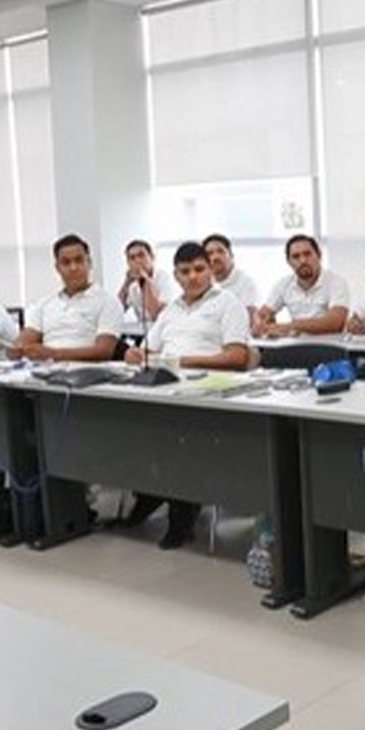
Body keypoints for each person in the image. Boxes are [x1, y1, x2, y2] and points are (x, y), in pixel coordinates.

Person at [120, 242, 252, 549]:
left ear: (210, 270)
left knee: (174, 433)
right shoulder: (171, 310)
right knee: (130, 427)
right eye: (185, 271)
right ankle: (150, 492)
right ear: (176, 275)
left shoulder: (227, 303)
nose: (193, 277)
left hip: (209, 392)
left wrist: (181, 361)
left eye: (199, 269)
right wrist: (135, 354)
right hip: (166, 387)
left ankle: (182, 513)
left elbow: (237, 356)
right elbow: (148, 350)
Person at [9, 234, 123, 362]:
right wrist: (17, 349)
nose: (73, 268)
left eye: (79, 260)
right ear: (57, 268)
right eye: (66, 263)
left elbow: (103, 352)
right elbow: (21, 343)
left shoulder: (108, 302)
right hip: (46, 369)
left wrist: (53, 354)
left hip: (87, 370)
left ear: (89, 263)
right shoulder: (45, 304)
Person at [254, 234, 350, 337]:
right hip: (295, 344)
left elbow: (335, 323)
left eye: (307, 254)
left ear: (319, 255)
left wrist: (288, 327)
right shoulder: (283, 284)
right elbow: (264, 313)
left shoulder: (337, 283)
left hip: (328, 345)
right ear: (289, 262)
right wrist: (262, 323)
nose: (303, 260)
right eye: (296, 257)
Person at [116, 239, 174, 324]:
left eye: (141, 255)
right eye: (132, 258)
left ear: (152, 257)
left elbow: (155, 314)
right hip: (142, 330)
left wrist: (146, 280)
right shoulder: (132, 285)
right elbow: (116, 311)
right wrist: (126, 283)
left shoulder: (163, 278)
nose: (137, 261)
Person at [203, 233, 259, 316]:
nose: (215, 257)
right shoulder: (202, 283)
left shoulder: (246, 283)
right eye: (210, 254)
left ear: (231, 256)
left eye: (220, 251)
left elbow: (250, 316)